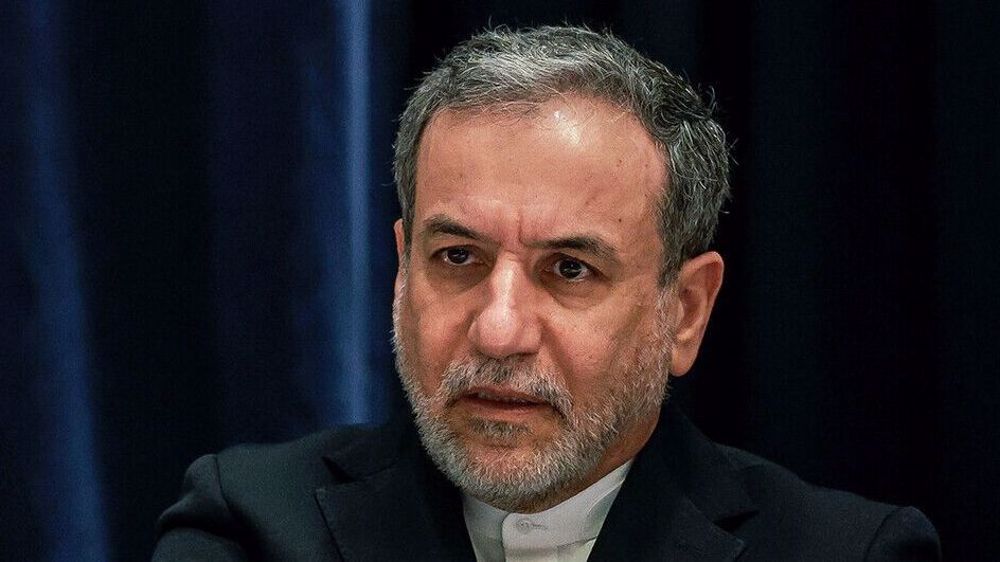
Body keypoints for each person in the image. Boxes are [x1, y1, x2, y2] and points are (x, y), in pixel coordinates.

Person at [152, 26, 941, 561]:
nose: (498, 331)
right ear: (402, 270)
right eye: (457, 256)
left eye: (570, 269)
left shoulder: (847, 551)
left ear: (686, 312)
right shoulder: (248, 526)